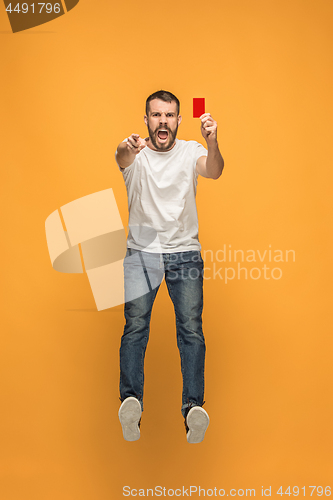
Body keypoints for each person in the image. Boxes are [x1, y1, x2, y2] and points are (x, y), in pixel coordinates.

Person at [115, 90, 224, 443]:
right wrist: (128, 148)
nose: (163, 121)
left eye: (170, 115)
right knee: (135, 329)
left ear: (178, 120)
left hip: (184, 253)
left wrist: (213, 141)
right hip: (142, 253)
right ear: (146, 119)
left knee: (191, 330)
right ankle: (131, 402)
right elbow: (120, 155)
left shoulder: (192, 150)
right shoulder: (135, 153)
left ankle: (193, 408)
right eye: (156, 115)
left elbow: (215, 171)